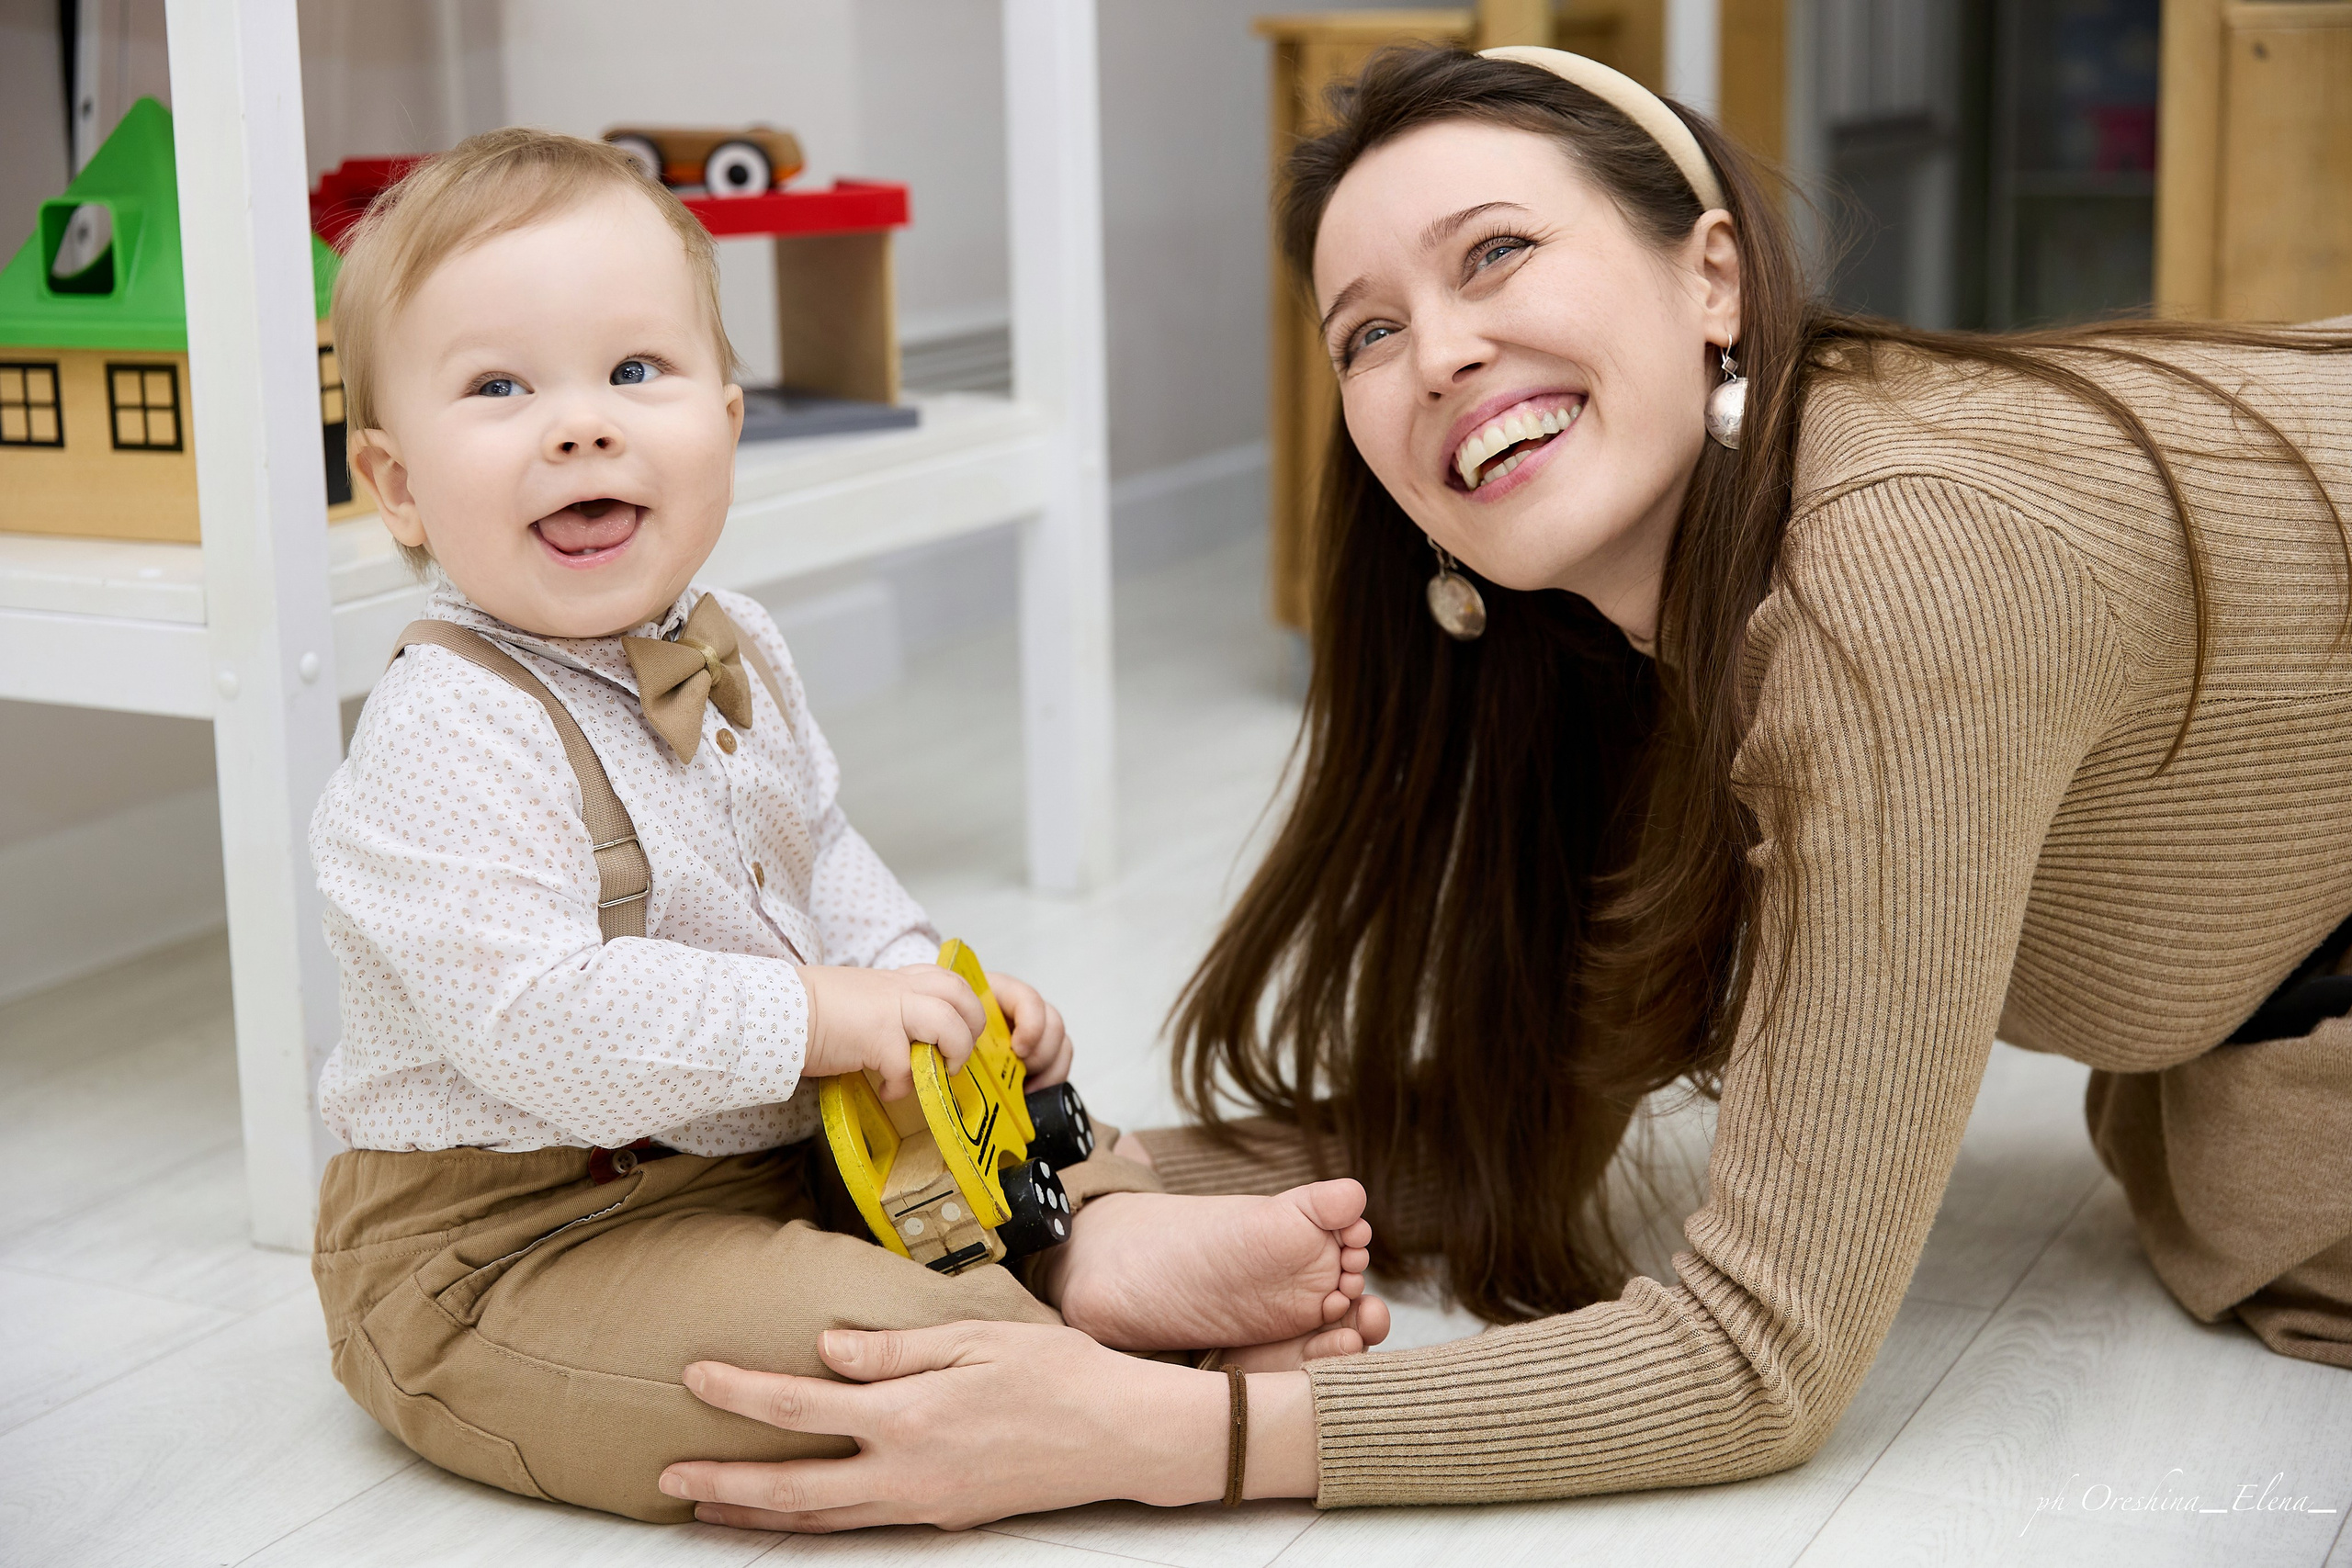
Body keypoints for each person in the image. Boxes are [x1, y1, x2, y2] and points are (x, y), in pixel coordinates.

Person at [650, 44, 2352, 1532]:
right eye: (1369, 330)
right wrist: (1046, 1196)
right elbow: (1507, 1127)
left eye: (1502, 254)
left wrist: (1168, 1437)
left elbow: (1761, 1358)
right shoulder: (1649, 608)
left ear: (1714, 283)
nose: (1442, 352)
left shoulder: (1903, 571)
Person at [304, 126, 1388, 1527]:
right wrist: (824, 1016)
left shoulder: (735, 641)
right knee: (855, 1344)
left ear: (729, 420)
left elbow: (824, 860)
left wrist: (927, 993)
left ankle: (1098, 1248)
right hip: (518, 1238)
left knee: (1045, 1125)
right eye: (500, 387)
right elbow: (539, 1022)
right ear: (394, 484)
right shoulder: (447, 726)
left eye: (636, 372)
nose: (582, 424)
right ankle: (1085, 1365)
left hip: (760, 1154)